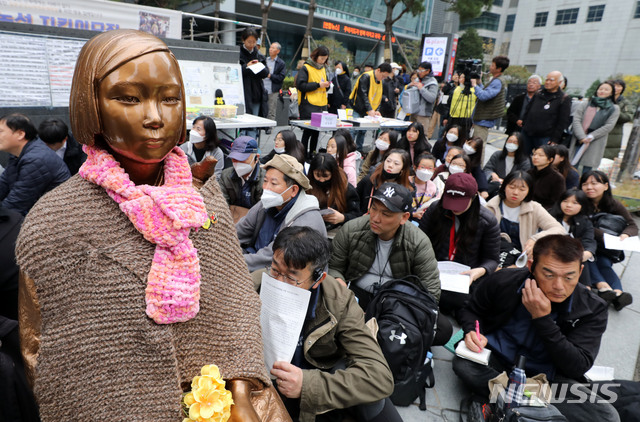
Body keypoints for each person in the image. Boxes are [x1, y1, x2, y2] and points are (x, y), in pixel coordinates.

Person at [16, 29, 287, 421]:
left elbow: (236, 307)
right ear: (90, 104)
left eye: (170, 98)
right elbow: (41, 349)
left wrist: (239, 390)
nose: (156, 117)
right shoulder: (54, 223)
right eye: (128, 98)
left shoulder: (203, 200)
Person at [453, 235, 619, 422]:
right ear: (531, 267)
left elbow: (578, 365)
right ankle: (528, 410)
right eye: (548, 275)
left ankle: (498, 403)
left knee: (606, 417)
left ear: (580, 272)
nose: (558, 286)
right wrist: (472, 332)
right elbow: (471, 310)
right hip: (496, 363)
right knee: (465, 365)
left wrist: (542, 319)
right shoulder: (504, 280)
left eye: (569, 277)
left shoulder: (592, 308)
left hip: (546, 380)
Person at [254, 226, 400, 422]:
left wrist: (308, 385)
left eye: (290, 277)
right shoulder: (255, 286)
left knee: (379, 408)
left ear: (318, 279)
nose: (279, 282)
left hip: (315, 390)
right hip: (263, 385)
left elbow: (379, 377)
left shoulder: (339, 301)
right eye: (275, 269)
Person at [330, 182, 453, 345]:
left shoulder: (418, 242)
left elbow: (431, 291)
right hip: (357, 293)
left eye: (386, 214)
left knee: (443, 330)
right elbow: (334, 267)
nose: (375, 218)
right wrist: (341, 288)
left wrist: (397, 313)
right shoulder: (352, 229)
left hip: (397, 300)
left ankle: (371, 334)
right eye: (373, 208)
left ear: (404, 217)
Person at [419, 173, 499, 314]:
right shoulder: (435, 210)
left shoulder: (487, 221)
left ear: (474, 198)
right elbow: (420, 241)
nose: (454, 208)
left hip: (465, 280)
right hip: (433, 273)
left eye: (460, 203)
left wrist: (479, 271)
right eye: (451, 201)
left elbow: (492, 259)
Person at [236, 153, 326, 272]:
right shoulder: (266, 204)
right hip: (252, 260)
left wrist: (233, 262)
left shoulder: (305, 220)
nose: (266, 188)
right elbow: (240, 230)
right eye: (265, 181)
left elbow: (272, 257)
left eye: (274, 183)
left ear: (293, 190)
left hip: (281, 273)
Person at [580, 170, 638, 311]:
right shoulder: (579, 202)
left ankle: (618, 294)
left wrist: (625, 235)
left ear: (606, 186)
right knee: (590, 259)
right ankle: (603, 287)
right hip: (586, 244)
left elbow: (632, 225)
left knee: (604, 263)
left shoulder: (614, 204)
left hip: (606, 247)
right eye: (585, 184)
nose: (589, 187)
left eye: (594, 183)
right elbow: (584, 226)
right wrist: (603, 235)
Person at [0, 113, 70, 215]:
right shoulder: (19, 154)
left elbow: (15, 204)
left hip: (56, 217)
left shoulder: (36, 160)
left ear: (20, 134)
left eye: (1, 131)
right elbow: (4, 183)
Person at [486, 171, 564, 260]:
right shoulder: (491, 206)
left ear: (529, 191)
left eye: (522, 189)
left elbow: (559, 229)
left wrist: (535, 239)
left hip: (522, 258)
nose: (515, 192)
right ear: (504, 187)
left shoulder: (534, 208)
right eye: (512, 187)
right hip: (492, 255)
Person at [569, 81, 620, 174]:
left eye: (606, 89)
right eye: (600, 89)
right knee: (572, 167)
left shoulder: (614, 108)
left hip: (595, 141)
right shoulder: (586, 104)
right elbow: (577, 119)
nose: (602, 91)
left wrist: (590, 137)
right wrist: (582, 137)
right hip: (579, 139)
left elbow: (609, 126)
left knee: (588, 170)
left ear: (611, 93)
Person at [549, 188, 597, 286]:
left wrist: (588, 252)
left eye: (575, 203)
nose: (569, 205)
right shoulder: (549, 216)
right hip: (551, 253)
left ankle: (586, 290)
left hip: (574, 257)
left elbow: (589, 240)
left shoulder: (585, 222)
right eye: (565, 201)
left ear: (582, 206)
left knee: (583, 260)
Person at [520, 71, 571, 154]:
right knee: (522, 157)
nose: (548, 82)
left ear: (560, 82)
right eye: (547, 80)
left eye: (551, 80)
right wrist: (524, 124)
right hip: (527, 132)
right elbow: (528, 110)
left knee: (541, 160)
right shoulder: (538, 93)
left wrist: (555, 139)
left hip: (545, 137)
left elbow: (563, 121)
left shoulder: (564, 98)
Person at [307, 153, 360, 231]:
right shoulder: (307, 185)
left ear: (333, 174)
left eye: (326, 176)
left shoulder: (346, 188)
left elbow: (357, 215)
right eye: (317, 175)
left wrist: (343, 218)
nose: (321, 180)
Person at [219, 136, 265, 222]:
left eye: (243, 159)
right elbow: (221, 205)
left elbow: (262, 213)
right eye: (234, 159)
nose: (237, 163)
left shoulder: (265, 180)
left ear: (256, 158)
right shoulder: (225, 175)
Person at [349, 63, 393, 152]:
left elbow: (379, 96)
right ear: (378, 70)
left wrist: (376, 110)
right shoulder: (366, 77)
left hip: (369, 111)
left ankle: (359, 150)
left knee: (363, 131)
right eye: (383, 76)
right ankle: (349, 150)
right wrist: (369, 109)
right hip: (358, 108)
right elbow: (362, 94)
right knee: (353, 130)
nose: (383, 78)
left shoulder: (380, 81)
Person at [296, 46, 331, 157]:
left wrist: (327, 86)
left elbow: (324, 87)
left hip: (321, 104)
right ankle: (303, 154)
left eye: (325, 59)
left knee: (317, 131)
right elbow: (301, 85)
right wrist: (318, 85)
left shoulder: (323, 69)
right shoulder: (306, 68)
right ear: (315, 56)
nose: (323, 61)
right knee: (308, 131)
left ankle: (312, 153)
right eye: (321, 58)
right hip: (308, 104)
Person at [356, 148, 413, 214]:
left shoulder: (406, 190)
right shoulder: (370, 180)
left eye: (396, 164)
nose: (390, 165)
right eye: (388, 161)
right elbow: (354, 201)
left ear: (403, 169)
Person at [471, 55, 509, 144]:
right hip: (482, 119)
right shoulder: (496, 80)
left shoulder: (497, 81)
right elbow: (486, 92)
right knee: (476, 144)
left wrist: (474, 85)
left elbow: (484, 96)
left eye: (492, 65)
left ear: (499, 69)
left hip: (484, 120)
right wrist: (479, 83)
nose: (490, 67)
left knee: (478, 145)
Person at [483, 132, 531, 198]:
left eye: (515, 142)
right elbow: (487, 168)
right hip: (495, 184)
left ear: (520, 145)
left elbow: (523, 177)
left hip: (512, 188)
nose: (511, 144)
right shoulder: (497, 155)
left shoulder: (524, 161)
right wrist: (492, 174)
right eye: (510, 141)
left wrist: (507, 182)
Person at [181, 115, 225, 180]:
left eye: (198, 129)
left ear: (207, 135)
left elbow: (216, 177)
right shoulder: (183, 148)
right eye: (193, 127)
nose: (193, 131)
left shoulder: (216, 153)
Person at [239, 27, 269, 120]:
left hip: (256, 93)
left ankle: (253, 134)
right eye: (249, 42)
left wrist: (259, 66)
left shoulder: (259, 55)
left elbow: (266, 73)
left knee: (254, 121)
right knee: (241, 122)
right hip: (241, 93)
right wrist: (246, 66)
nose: (252, 44)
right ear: (243, 40)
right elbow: (234, 72)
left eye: (254, 42)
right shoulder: (237, 53)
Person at [528, 144, 566, 209]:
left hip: (544, 211)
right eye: (534, 154)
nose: (535, 157)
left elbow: (556, 202)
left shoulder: (557, 178)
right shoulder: (529, 173)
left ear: (550, 160)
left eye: (541, 155)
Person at [605, 79, 634, 160]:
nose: (616, 88)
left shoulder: (625, 102)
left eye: (619, 86)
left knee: (606, 160)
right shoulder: (603, 99)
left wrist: (615, 110)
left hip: (614, 134)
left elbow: (628, 117)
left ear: (622, 89)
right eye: (614, 85)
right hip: (600, 131)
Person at [406, 61, 438, 132]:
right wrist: (409, 86)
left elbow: (432, 98)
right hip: (413, 112)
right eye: (418, 70)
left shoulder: (432, 83)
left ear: (428, 71)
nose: (419, 72)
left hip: (423, 115)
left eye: (421, 71)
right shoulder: (418, 79)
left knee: (421, 135)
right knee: (411, 133)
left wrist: (422, 89)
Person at [263, 41, 287, 125]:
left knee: (271, 109)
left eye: (273, 48)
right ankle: (262, 125)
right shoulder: (265, 60)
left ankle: (269, 127)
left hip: (273, 90)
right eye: (270, 47)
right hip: (262, 88)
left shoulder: (281, 63)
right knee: (262, 108)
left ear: (278, 51)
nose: (270, 49)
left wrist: (270, 76)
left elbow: (281, 77)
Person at [411, 152, 439, 220]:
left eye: (430, 168)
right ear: (415, 168)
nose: (426, 171)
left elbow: (435, 207)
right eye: (422, 167)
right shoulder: (405, 182)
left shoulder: (433, 187)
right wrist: (412, 214)